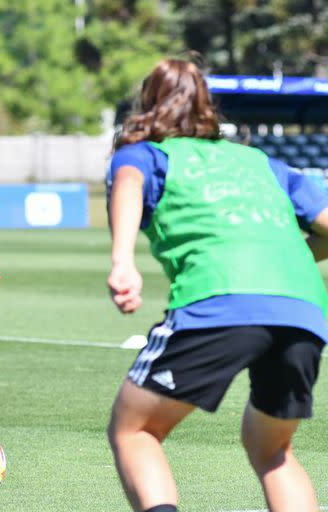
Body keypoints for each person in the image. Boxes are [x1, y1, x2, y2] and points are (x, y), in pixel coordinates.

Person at [106, 57, 328, 512]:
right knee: (272, 449)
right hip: (304, 310)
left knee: (135, 429)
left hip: (218, 301)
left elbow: (128, 180)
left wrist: (122, 260)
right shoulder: (259, 161)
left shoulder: (144, 153)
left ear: (146, 103)